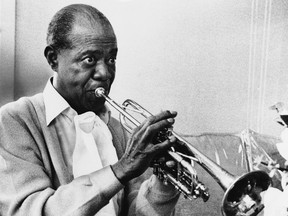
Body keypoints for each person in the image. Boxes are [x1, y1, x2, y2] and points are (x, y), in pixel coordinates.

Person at [0, 4, 180, 216]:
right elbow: (30, 211)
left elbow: (135, 212)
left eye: (111, 59)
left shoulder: (117, 129)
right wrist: (121, 169)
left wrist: (164, 183)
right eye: (90, 59)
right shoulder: (15, 120)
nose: (105, 73)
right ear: (53, 59)